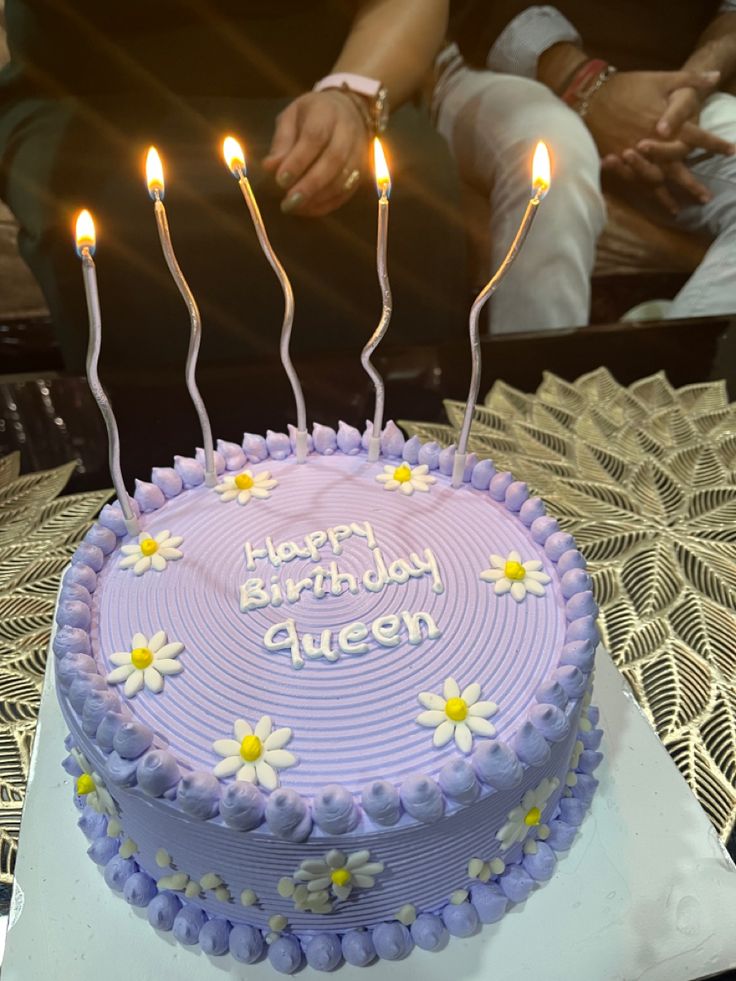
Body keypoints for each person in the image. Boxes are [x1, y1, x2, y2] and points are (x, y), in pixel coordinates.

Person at [0, 1, 467, 374]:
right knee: (128, 229)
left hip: (322, 81)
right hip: (87, 99)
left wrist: (350, 95)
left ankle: (391, 460)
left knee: (405, 198)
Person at [435, 1, 736, 333]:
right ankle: (536, 381)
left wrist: (692, 84)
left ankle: (668, 378)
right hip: (496, 62)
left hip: (673, 84)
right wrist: (587, 85)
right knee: (553, 161)